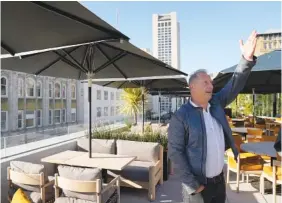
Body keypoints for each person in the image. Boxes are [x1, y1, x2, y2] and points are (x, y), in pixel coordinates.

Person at [168, 30, 258, 203]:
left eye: (211, 82)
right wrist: (194, 185)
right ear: (192, 87)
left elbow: (235, 83)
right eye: (205, 82)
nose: (211, 85)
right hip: (198, 188)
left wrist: (246, 60)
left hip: (219, 182)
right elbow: (175, 153)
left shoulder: (216, 104)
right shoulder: (181, 117)